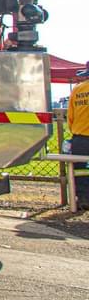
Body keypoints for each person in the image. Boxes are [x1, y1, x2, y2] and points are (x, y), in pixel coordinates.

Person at [66, 62, 89, 209]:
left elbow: (70, 117)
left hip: (80, 137)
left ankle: (83, 199)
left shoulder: (78, 89)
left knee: (80, 170)